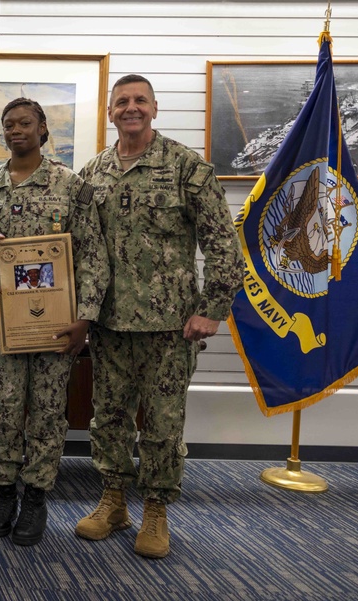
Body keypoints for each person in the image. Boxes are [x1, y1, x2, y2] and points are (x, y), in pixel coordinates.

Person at [75, 75, 244, 558]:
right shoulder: (93, 174)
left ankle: (155, 509)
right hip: (109, 324)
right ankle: (112, 501)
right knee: (108, 418)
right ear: (110, 113)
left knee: (163, 425)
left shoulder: (187, 167)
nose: (131, 108)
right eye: (122, 102)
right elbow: (84, 249)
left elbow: (221, 245)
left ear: (154, 108)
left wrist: (212, 311)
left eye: (140, 101)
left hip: (171, 326)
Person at [0, 97, 108, 546]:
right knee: (0, 411)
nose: (15, 130)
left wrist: (86, 319)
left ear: (43, 130)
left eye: (25, 123)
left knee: (46, 413)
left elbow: (93, 256)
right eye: (8, 124)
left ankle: (36, 496)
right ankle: (3, 492)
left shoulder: (70, 186)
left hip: (54, 325)